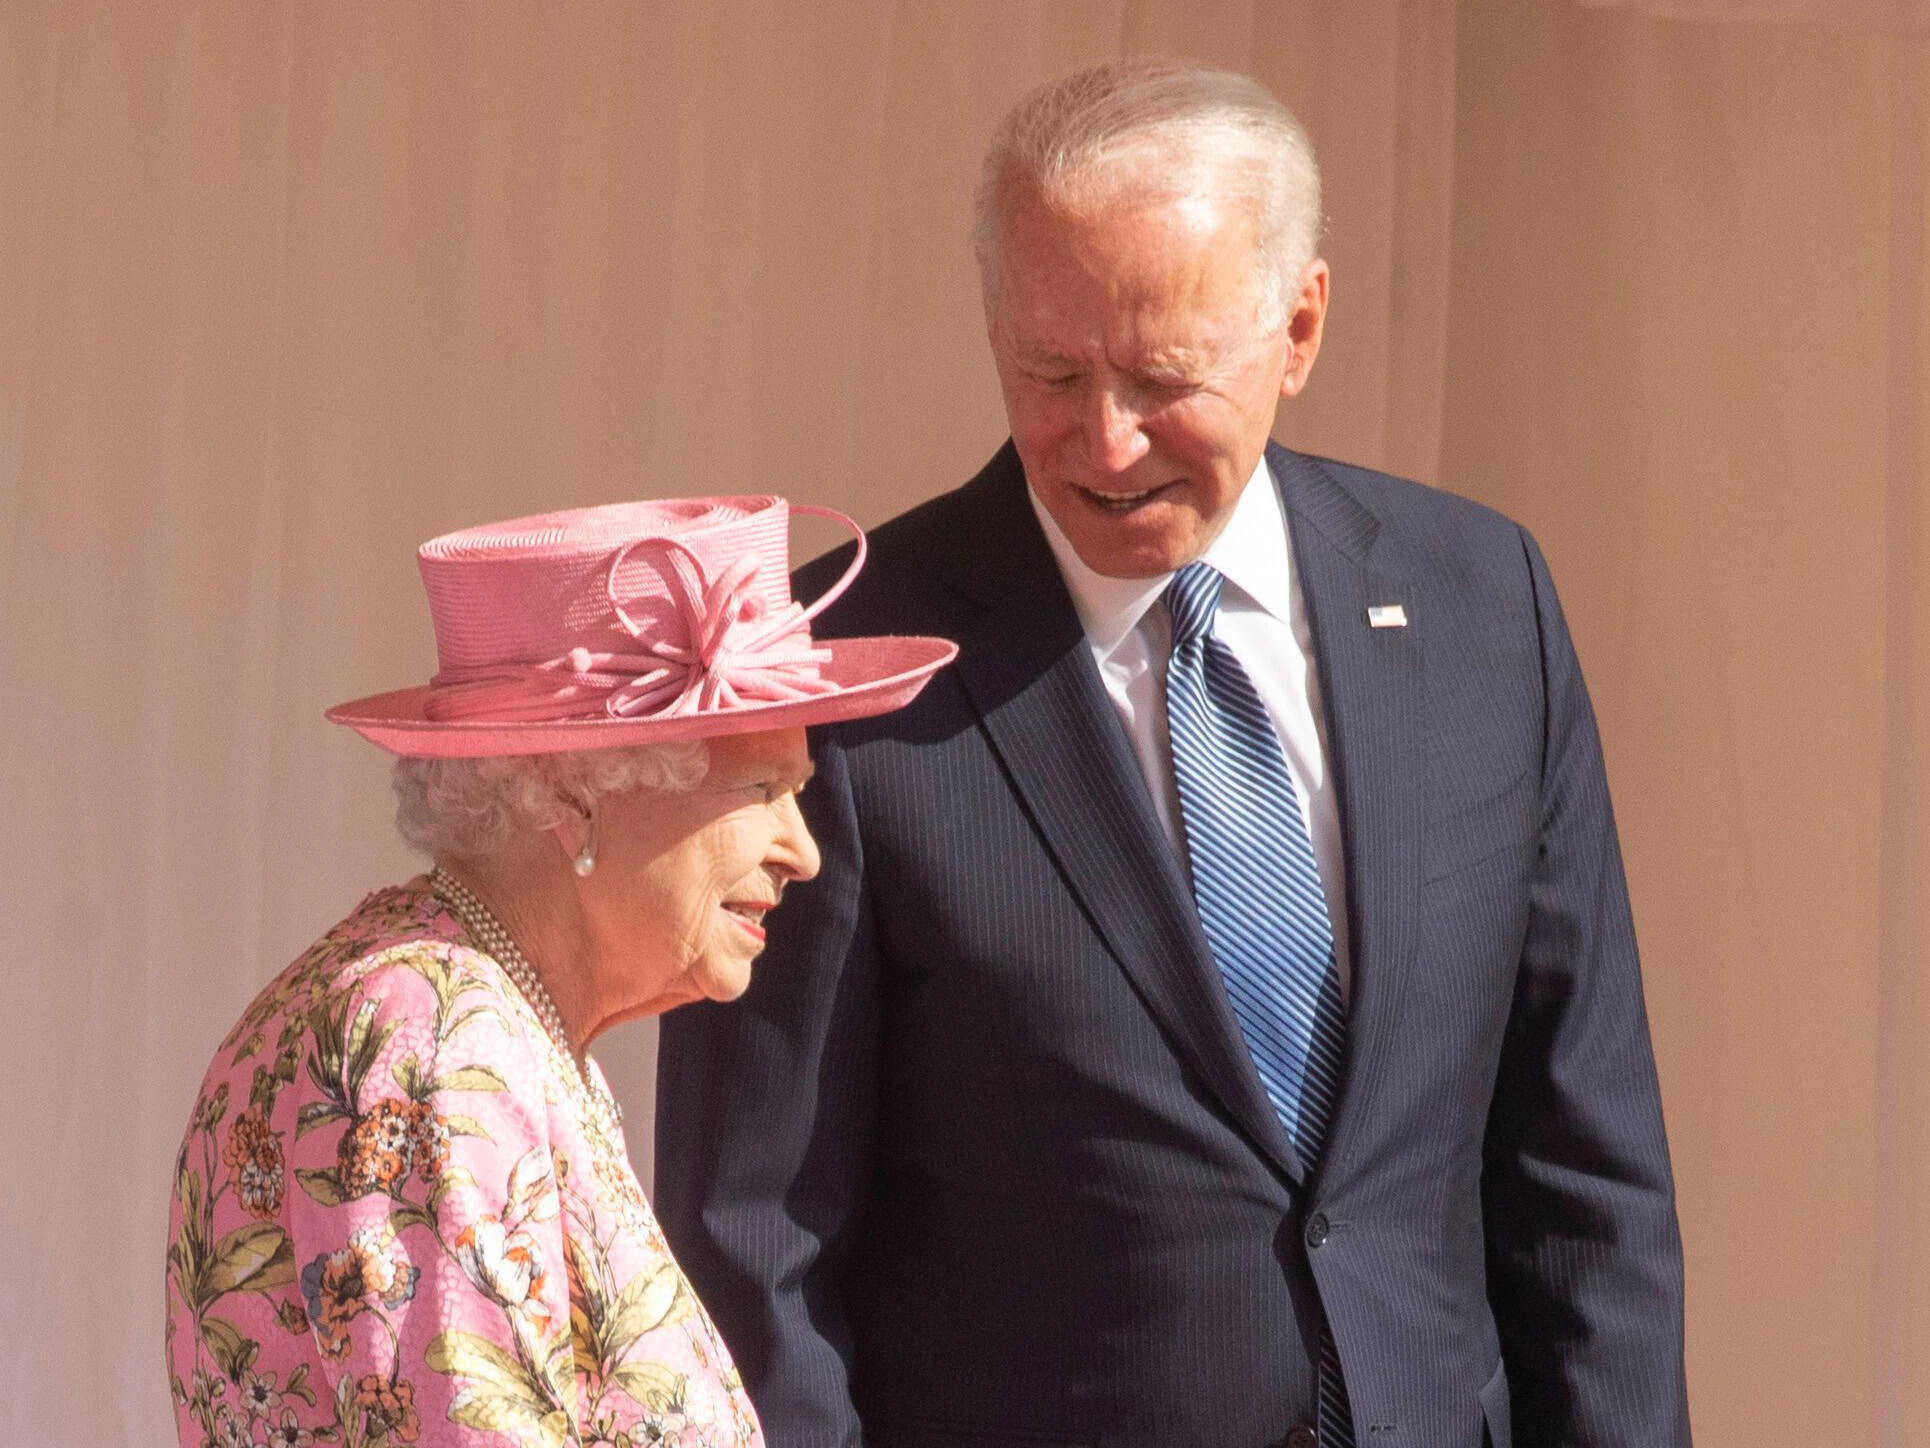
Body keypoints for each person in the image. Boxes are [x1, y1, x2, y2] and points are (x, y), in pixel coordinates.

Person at [656, 57, 1690, 1448]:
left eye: (1163, 377)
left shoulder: (1475, 603)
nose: (1104, 439)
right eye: (1051, 370)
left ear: (1298, 326)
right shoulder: (840, 669)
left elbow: (1586, 1175)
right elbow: (755, 1240)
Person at [162, 496, 954, 1448]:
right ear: (576, 794)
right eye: (761, 789)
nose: (804, 851)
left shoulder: (478, 1013)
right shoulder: (435, 1045)